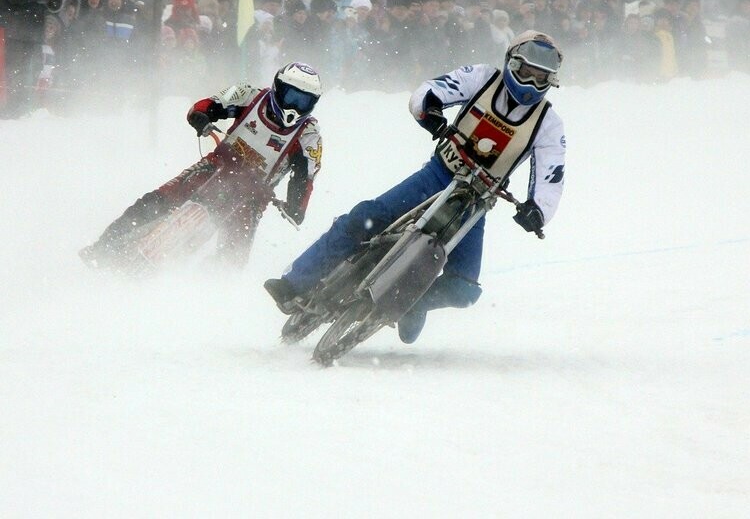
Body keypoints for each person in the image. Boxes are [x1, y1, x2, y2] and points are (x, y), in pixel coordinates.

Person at [264, 30, 566, 344]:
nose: (531, 83)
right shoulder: (482, 78)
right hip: (437, 176)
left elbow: (552, 175)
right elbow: (432, 90)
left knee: (464, 289)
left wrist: (538, 211)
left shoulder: (548, 123)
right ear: (511, 63)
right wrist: (431, 112)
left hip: (475, 204)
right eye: (525, 72)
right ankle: (295, 282)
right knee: (363, 218)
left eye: (540, 77)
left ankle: (415, 302)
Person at [80, 63, 325, 269]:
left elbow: (306, 178)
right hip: (216, 167)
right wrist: (201, 117)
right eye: (290, 96)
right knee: (156, 200)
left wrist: (295, 208)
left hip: (252, 196)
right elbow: (208, 104)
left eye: (303, 101)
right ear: (277, 88)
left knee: (234, 256)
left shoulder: (308, 135)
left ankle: (208, 293)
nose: (294, 106)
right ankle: (103, 249)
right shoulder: (250, 95)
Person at [0, 0, 62, 118]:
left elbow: (48, 4)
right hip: (14, 31)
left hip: (34, 32)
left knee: (32, 72)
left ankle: (25, 108)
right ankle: (11, 111)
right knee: (14, 72)